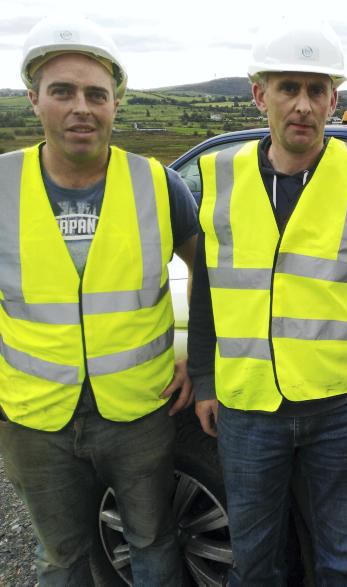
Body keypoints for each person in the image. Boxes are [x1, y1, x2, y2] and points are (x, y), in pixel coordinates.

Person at [187, 19, 347, 585]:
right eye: (288, 88)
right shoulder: (222, 179)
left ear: (334, 101)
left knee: (342, 560)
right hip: (247, 406)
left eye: (317, 90)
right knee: (255, 560)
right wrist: (205, 378)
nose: (303, 105)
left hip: (340, 410)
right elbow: (207, 292)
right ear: (259, 95)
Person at [0, 15, 198, 585]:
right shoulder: (2, 185)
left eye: (96, 94)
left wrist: (198, 360)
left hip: (139, 412)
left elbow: (205, 273)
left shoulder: (158, 184)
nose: (80, 108)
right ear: (34, 98)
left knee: (153, 543)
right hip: (35, 419)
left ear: (116, 103)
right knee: (61, 558)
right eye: (62, 91)